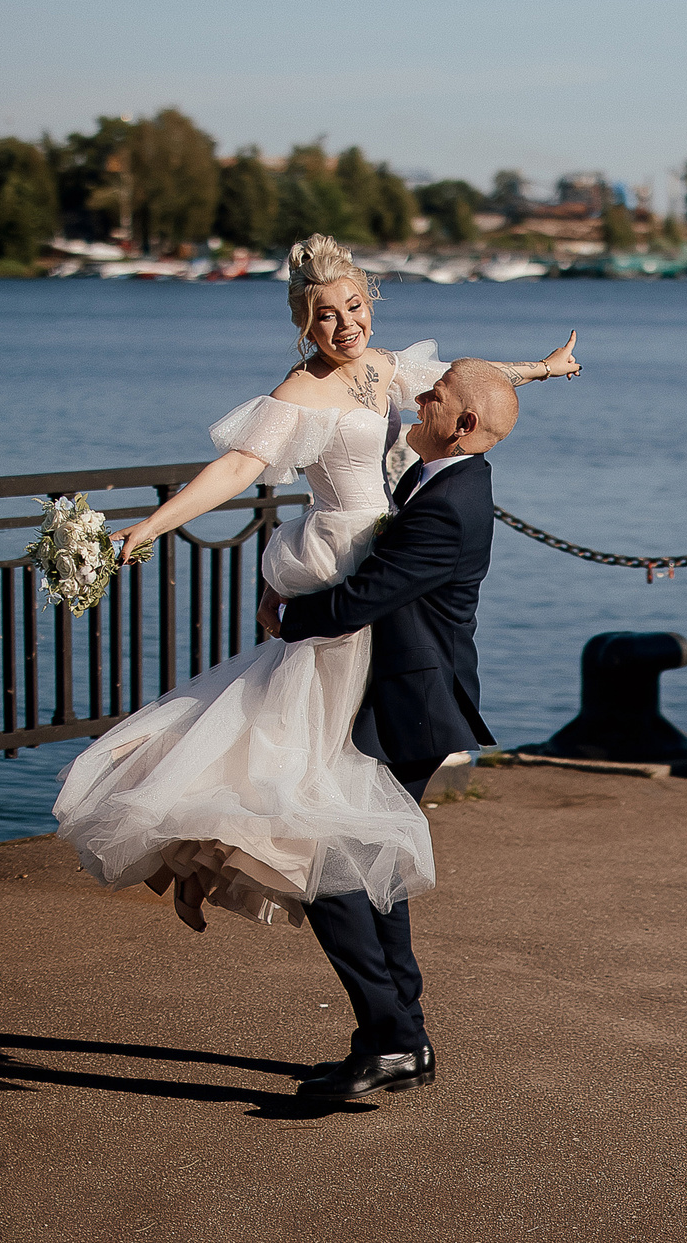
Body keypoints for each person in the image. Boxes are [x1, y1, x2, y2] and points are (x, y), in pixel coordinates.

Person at [50, 235, 576, 954]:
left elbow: (472, 386)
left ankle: (263, 869)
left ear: (370, 301)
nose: (345, 324)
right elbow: (237, 466)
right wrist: (154, 523)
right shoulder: (300, 391)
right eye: (325, 315)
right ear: (304, 322)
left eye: (354, 305)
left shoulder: (387, 369)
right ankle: (227, 853)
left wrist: (544, 368)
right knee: (294, 742)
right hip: (340, 561)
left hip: (381, 560)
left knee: (322, 749)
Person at [259, 355, 519, 1098]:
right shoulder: (442, 475)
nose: (422, 398)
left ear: (463, 423)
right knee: (369, 864)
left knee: (321, 861)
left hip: (410, 705)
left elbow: (364, 596)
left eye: (434, 396)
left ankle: (394, 1038)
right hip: (400, 696)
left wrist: (286, 611)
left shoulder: (449, 504)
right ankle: (402, 1033)